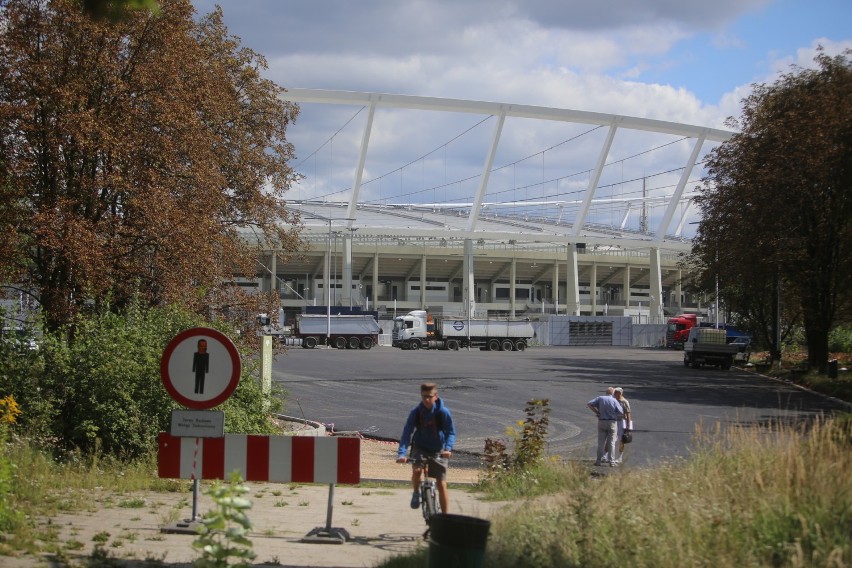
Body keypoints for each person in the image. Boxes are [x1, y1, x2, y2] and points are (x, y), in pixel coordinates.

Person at [397, 382, 456, 513]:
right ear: (421, 396)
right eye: (424, 397)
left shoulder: (443, 413)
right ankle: (416, 492)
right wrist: (402, 454)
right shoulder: (416, 413)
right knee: (417, 471)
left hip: (439, 449)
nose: (427, 400)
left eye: (430, 396)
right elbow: (407, 433)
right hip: (420, 447)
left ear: (436, 396)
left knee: (441, 483)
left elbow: (450, 432)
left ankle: (445, 518)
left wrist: (448, 448)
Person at [587, 387, 624, 466]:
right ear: (613, 393)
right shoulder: (614, 400)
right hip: (612, 422)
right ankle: (612, 461)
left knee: (601, 442)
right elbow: (621, 412)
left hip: (602, 421)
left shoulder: (600, 398)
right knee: (611, 443)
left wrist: (597, 412)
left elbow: (589, 404)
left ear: (606, 392)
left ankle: (598, 460)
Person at [612, 387, 632, 464]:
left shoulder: (624, 402)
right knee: (611, 438)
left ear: (620, 393)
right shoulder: (614, 400)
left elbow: (628, 413)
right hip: (614, 421)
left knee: (621, 440)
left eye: (615, 393)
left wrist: (628, 425)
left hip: (621, 422)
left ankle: (620, 457)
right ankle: (609, 456)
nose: (614, 394)